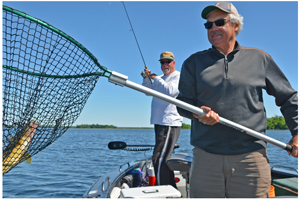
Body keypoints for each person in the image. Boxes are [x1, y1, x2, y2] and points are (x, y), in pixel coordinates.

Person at [176, 2, 298, 198]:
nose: (213, 28)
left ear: (236, 25)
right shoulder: (193, 63)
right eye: (209, 25)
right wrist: (198, 114)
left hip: (251, 159)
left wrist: (297, 133)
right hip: (205, 159)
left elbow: (288, 97)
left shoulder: (260, 58)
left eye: (219, 22)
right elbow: (182, 103)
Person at [142, 51, 183, 188]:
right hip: (159, 122)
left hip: (169, 123)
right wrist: (147, 78)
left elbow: (171, 92)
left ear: (173, 63)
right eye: (162, 62)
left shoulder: (178, 77)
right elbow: (147, 91)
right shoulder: (160, 78)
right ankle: (169, 189)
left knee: (159, 158)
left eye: (167, 62)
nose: (165, 64)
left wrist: (156, 78)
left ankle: (164, 191)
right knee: (160, 158)